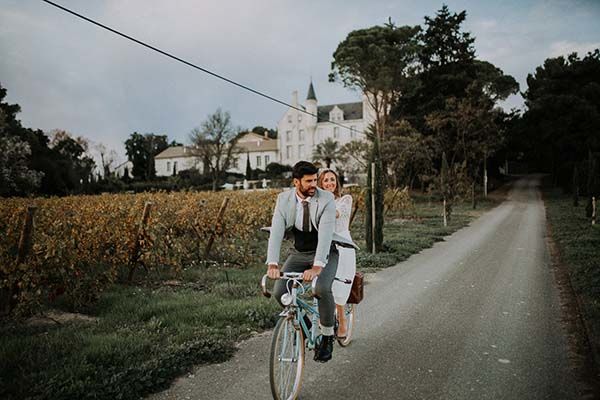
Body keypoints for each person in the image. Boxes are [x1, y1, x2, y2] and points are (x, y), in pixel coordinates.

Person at [266, 161, 357, 362]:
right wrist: (272, 263)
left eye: (315, 180)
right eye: (309, 181)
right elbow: (276, 231)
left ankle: (326, 337)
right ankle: (304, 326)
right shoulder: (283, 200)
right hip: (299, 252)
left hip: (326, 252)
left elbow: (325, 234)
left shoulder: (325, 198)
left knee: (321, 288)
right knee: (280, 292)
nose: (313, 185)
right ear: (296, 182)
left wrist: (317, 266)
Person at [317, 168, 356, 339]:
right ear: (320, 183)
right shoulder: (316, 203)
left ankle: (342, 319)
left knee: (339, 284)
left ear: (337, 182)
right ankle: (325, 316)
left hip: (342, 245)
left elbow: (335, 213)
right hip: (324, 245)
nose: (329, 183)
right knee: (322, 284)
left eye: (332, 180)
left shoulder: (344, 200)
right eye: (325, 180)